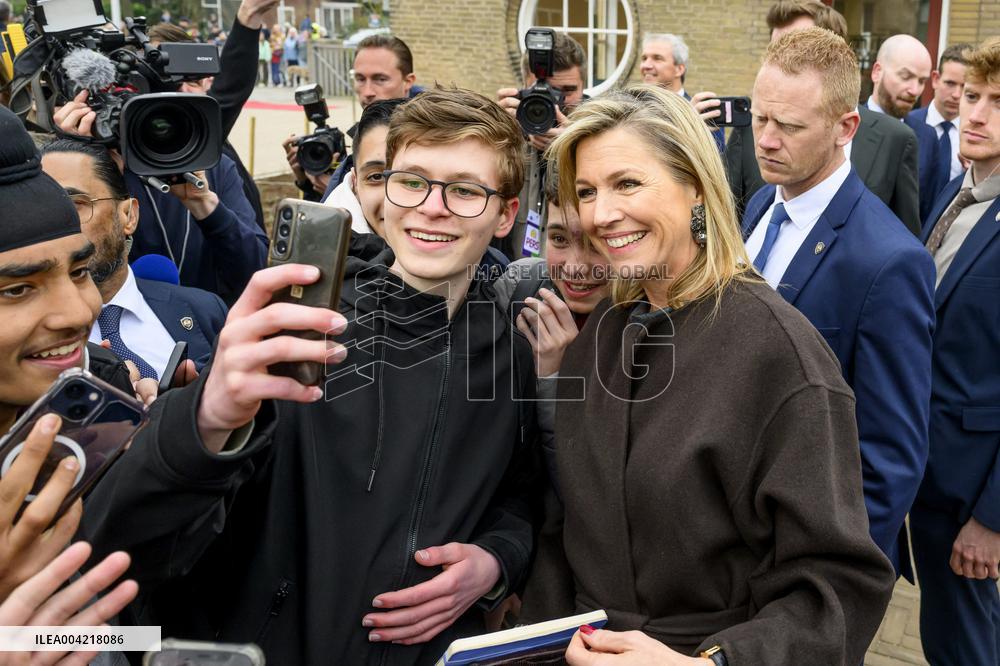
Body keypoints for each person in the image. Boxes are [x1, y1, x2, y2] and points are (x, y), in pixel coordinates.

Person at [81, 87, 541, 665]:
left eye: (466, 190)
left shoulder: (508, 348)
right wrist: (202, 421)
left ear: (505, 214)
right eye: (412, 180)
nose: (432, 206)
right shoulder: (294, 325)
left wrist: (495, 561)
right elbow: (126, 546)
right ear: (382, 192)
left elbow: (518, 496)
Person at [518, 82, 895, 664]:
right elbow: (565, 523)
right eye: (586, 191)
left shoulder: (780, 356)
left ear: (694, 184)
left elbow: (836, 585)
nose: (601, 214)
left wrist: (710, 663)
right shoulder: (605, 331)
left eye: (627, 183)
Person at [742, 27, 935, 581]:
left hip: (808, 559)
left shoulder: (891, 261)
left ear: (845, 127)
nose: (766, 141)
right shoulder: (759, 205)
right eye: (760, 118)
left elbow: (890, 455)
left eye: (790, 126)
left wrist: (831, 584)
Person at [910, 37, 1000, 666]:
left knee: (965, 649)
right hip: (925, 471)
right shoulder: (954, 191)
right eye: (972, 96)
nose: (976, 114)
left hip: (972, 495)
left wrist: (993, 520)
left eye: (999, 103)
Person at [723, 1, 922, 235]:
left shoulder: (894, 139)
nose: (767, 140)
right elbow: (725, 217)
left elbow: (902, 235)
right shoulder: (750, 128)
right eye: (774, 49)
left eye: (798, 50)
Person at [40, 140, 227, 375]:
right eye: (42, 209)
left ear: (128, 215)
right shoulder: (22, 334)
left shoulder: (204, 309)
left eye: (76, 204)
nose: (57, 223)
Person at [288, 34, 419, 201]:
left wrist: (341, 193)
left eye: (380, 79)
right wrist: (308, 182)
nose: (367, 92)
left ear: (408, 81)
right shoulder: (364, 132)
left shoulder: (431, 139)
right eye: (360, 79)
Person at [496, 32, 587, 260]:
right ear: (525, 86)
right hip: (515, 277)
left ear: (584, 85)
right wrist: (494, 130)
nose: (557, 103)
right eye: (546, 91)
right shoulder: (508, 134)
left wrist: (575, 147)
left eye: (567, 92)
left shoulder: (603, 137)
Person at [905, 43, 971, 224]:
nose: (957, 94)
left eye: (964, 86)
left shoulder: (976, 136)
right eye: (950, 83)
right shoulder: (906, 125)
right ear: (935, 79)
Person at [641, 33, 725, 152]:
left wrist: (689, 123)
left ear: (679, 69)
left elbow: (715, 164)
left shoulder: (704, 114)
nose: (646, 65)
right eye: (644, 58)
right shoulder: (630, 109)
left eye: (657, 58)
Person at [868, 35, 933, 119]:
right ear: (877, 72)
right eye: (905, 77)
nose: (914, 91)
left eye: (922, 81)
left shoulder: (925, 131)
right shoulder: (849, 126)